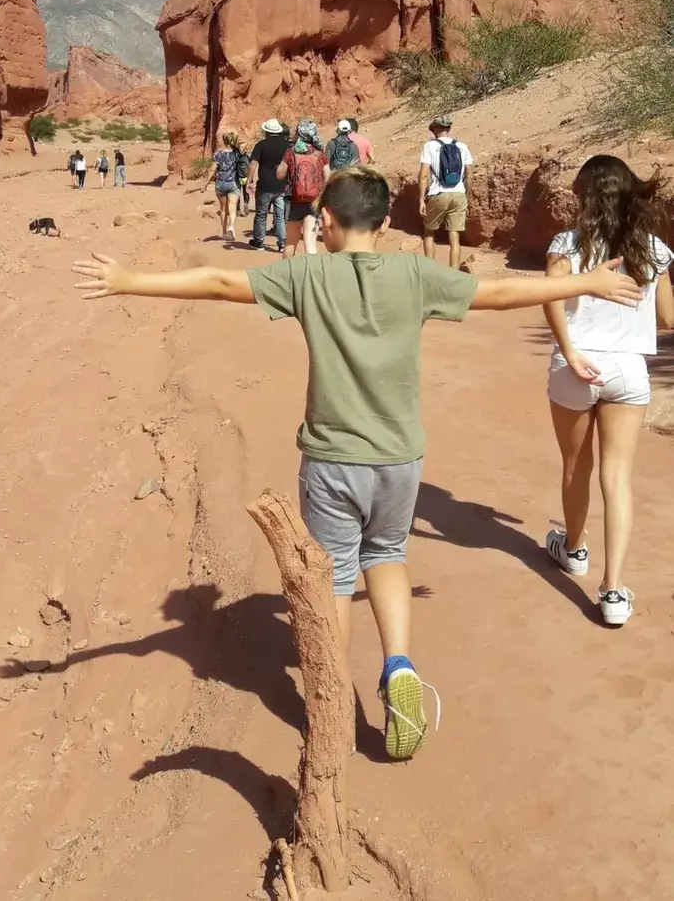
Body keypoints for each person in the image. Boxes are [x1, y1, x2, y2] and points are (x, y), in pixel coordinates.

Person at [73, 168, 642, 760]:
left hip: (332, 459)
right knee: (388, 556)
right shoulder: (415, 273)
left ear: (325, 222)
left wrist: (127, 280)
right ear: (387, 224)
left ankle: (334, 705)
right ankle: (398, 667)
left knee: (336, 578)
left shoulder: (308, 274)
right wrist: (588, 283)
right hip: (400, 456)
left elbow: (219, 282)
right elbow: (497, 295)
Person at [543, 155, 674, 626]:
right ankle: (614, 590)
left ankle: (574, 550)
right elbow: (667, 318)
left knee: (576, 466)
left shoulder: (567, 244)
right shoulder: (655, 250)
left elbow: (552, 300)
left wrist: (572, 353)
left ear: (585, 195)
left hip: (577, 363)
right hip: (629, 370)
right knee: (617, 477)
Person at [418, 115, 474, 271]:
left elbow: (423, 175)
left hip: (438, 193)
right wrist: (466, 196)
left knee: (429, 232)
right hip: (459, 194)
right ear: (449, 129)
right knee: (454, 235)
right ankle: (454, 273)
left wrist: (421, 199)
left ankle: (430, 270)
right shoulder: (462, 146)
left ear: (435, 129)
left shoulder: (429, 146)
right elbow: (470, 175)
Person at [276, 121, 329, 259]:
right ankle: (311, 276)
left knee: (290, 243)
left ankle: (287, 273)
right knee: (310, 243)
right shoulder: (320, 154)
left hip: (294, 200)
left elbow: (279, 174)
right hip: (314, 201)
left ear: (299, 133)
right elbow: (328, 177)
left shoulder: (290, 152)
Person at [247, 118, 288, 252]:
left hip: (264, 185)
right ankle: (282, 242)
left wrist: (249, 180)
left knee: (261, 214)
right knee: (280, 215)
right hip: (281, 186)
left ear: (266, 131)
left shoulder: (261, 145)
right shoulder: (286, 145)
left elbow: (253, 163)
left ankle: (259, 242)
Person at [205, 130, 241, 242]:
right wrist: (235, 139)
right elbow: (245, 143)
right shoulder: (237, 153)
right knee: (233, 207)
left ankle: (225, 232)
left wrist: (205, 183)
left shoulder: (218, 154)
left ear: (224, 141)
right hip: (234, 183)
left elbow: (212, 169)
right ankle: (231, 226)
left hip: (221, 183)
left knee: (223, 209)